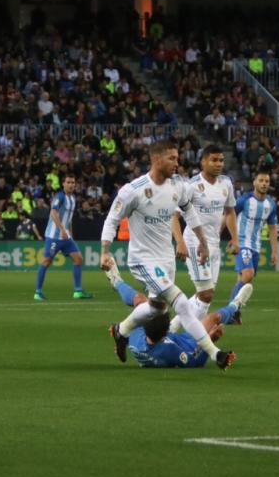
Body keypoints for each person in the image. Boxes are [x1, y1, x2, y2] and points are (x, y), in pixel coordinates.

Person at [100, 140, 235, 370]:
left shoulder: (178, 187)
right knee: (181, 302)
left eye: (177, 157)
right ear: (156, 159)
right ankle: (216, 355)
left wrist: (202, 242)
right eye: (172, 158)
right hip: (142, 260)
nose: (177, 162)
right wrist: (104, 251)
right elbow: (112, 219)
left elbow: (190, 211)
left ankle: (121, 331)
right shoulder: (134, 190)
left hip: (165, 259)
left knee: (157, 309)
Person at [102, 255, 252, 368]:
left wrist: (121, 342)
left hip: (161, 339)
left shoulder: (137, 335)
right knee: (213, 319)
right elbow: (192, 360)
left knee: (141, 302)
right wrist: (211, 339)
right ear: (167, 331)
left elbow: (130, 333)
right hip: (189, 345)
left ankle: (116, 281)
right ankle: (235, 305)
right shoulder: (168, 351)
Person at [170, 144, 238, 333]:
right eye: (214, 160)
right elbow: (173, 215)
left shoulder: (226, 184)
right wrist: (180, 242)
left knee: (205, 296)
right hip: (194, 242)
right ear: (203, 162)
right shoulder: (191, 186)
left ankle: (170, 329)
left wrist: (235, 238)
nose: (219, 164)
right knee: (206, 294)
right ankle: (194, 338)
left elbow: (230, 212)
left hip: (214, 244)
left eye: (221, 160)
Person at [34, 174, 93, 301]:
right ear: (63, 184)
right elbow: (53, 212)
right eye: (69, 182)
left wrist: (70, 233)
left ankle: (78, 291)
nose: (71, 185)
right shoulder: (59, 197)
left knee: (78, 259)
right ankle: (38, 292)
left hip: (66, 237)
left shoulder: (73, 198)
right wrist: (61, 229)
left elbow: (69, 219)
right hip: (54, 236)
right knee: (46, 261)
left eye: (73, 182)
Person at [229, 170, 279, 303]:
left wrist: (274, 251)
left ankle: (235, 312)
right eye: (261, 181)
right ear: (254, 183)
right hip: (241, 242)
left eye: (267, 181)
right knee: (248, 274)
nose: (264, 184)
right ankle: (230, 307)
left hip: (256, 245)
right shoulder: (244, 200)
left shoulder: (271, 204)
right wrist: (232, 237)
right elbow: (229, 215)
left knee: (244, 280)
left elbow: (272, 228)